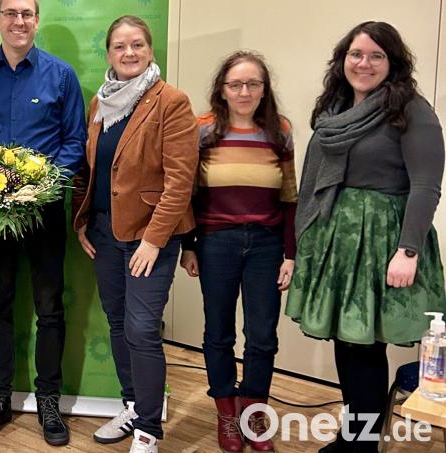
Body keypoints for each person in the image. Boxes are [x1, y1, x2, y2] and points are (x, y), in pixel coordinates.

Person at [285, 21, 446, 453]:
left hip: (383, 242)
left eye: (376, 56)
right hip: (339, 241)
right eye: (356, 54)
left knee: (366, 347)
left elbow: (427, 185)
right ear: (342, 59)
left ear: (392, 63)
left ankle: (361, 444)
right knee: (347, 342)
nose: (364, 63)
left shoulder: (410, 109)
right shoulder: (334, 109)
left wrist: (407, 250)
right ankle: (352, 436)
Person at [0, 0, 86, 446]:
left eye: (27, 13)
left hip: (45, 212)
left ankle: (49, 400)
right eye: (10, 13)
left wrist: (42, 183)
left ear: (36, 19)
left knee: (50, 309)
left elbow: (74, 142)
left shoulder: (61, 75)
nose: (19, 21)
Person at [71, 15, 198, 453]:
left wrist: (153, 240)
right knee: (118, 322)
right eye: (120, 46)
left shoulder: (172, 102)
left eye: (138, 45)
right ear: (108, 53)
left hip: (150, 237)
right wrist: (84, 218)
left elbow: (181, 182)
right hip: (106, 234)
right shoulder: (99, 103)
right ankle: (130, 404)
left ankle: (148, 428)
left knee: (142, 329)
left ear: (150, 51)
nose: (129, 53)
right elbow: (92, 168)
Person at [178, 51, 297, 453]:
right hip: (216, 243)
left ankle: (253, 411)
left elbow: (290, 196)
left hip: (266, 244)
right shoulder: (203, 129)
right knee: (219, 333)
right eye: (236, 84)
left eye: (253, 84)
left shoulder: (280, 130)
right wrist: (189, 246)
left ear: (264, 90)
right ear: (222, 90)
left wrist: (290, 254)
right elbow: (189, 192)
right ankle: (227, 413)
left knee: (263, 336)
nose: (244, 91)